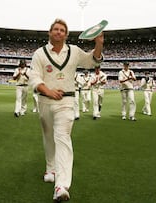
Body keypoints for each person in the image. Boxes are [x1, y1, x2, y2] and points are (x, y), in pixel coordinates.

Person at [28, 18, 104, 202]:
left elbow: (92, 61)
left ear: (66, 34)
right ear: (50, 32)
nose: (59, 32)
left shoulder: (74, 51)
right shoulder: (40, 53)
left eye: (62, 30)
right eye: (55, 29)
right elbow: (35, 78)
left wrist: (99, 44)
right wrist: (48, 91)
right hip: (46, 101)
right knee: (48, 137)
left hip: (66, 101)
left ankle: (61, 185)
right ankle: (50, 168)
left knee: (62, 138)